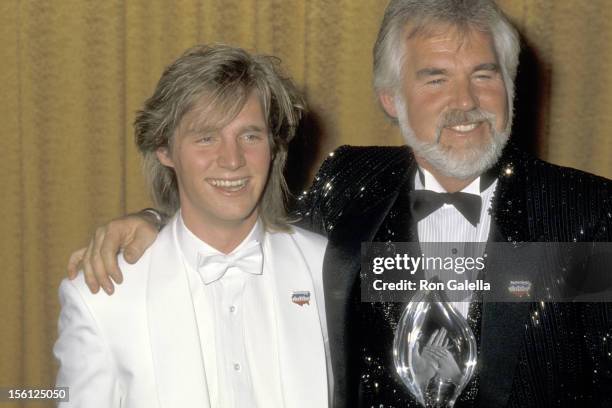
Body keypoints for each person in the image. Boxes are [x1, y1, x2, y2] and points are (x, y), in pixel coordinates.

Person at [67, 1, 612, 407]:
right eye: (435, 79)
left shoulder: (584, 216)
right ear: (391, 98)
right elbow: (237, 212)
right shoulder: (351, 187)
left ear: (511, 86)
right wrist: (152, 220)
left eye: (484, 75)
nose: (464, 103)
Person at [54, 44, 331, 408]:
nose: (232, 160)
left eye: (249, 136)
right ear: (164, 150)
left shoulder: (329, 269)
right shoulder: (100, 298)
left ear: (274, 147)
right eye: (206, 137)